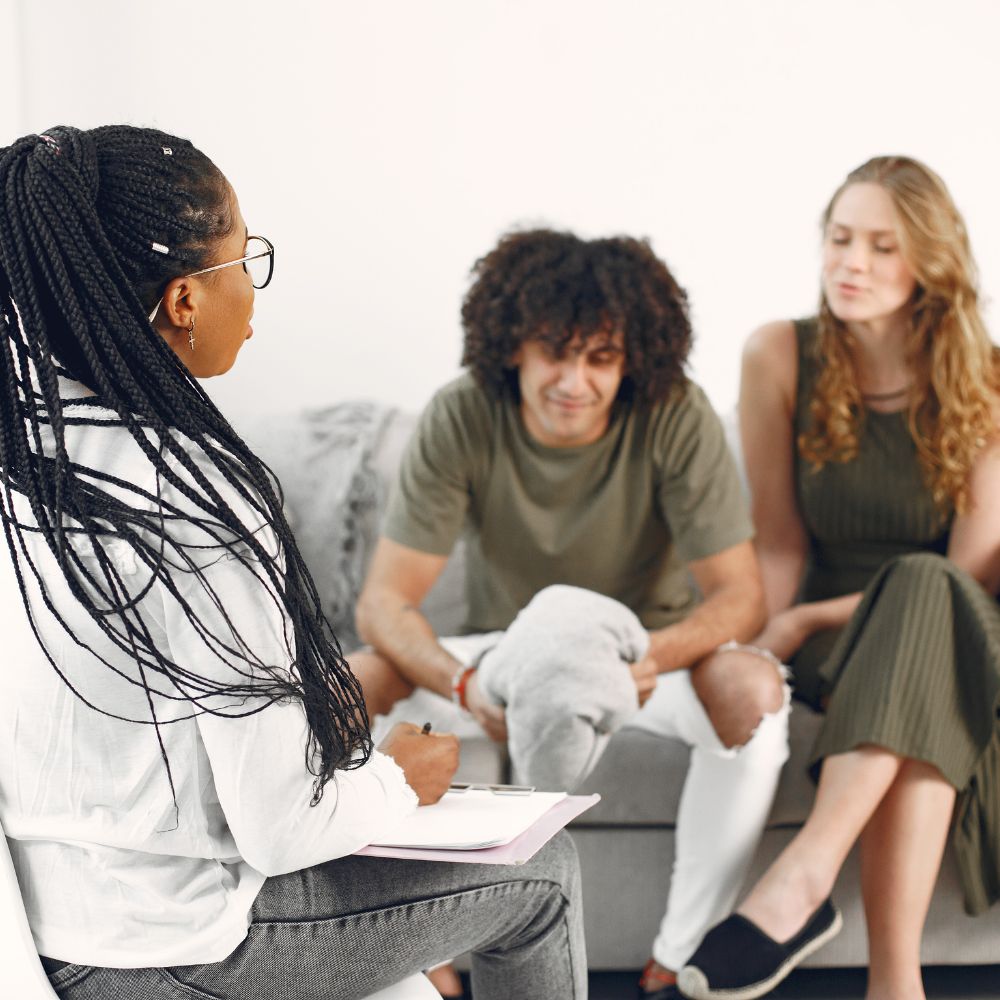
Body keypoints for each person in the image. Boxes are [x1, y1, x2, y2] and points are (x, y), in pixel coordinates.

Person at [0, 125, 586, 1000]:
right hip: (182, 951)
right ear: (185, 299)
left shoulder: (24, 467)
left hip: (43, 944)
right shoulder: (195, 497)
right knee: (546, 873)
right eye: (245, 255)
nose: (252, 283)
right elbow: (280, 830)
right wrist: (398, 778)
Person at [350, 228, 791, 1000]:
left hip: (644, 656)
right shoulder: (461, 413)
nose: (574, 381)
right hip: (500, 658)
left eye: (601, 358)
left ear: (633, 360)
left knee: (754, 691)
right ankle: (417, 955)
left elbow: (740, 596)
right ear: (512, 346)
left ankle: (680, 955)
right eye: (554, 352)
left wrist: (646, 662)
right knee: (353, 679)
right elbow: (384, 602)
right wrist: (466, 687)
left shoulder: (675, 415)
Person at [678, 156, 1000, 1000]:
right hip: (837, 645)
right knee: (921, 712)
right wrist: (762, 642)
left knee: (925, 594)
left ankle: (803, 877)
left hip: (956, 622)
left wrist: (806, 619)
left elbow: (965, 571)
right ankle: (896, 986)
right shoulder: (780, 353)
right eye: (840, 238)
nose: (850, 263)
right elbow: (779, 541)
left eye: (883, 246)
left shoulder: (990, 378)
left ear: (932, 262)